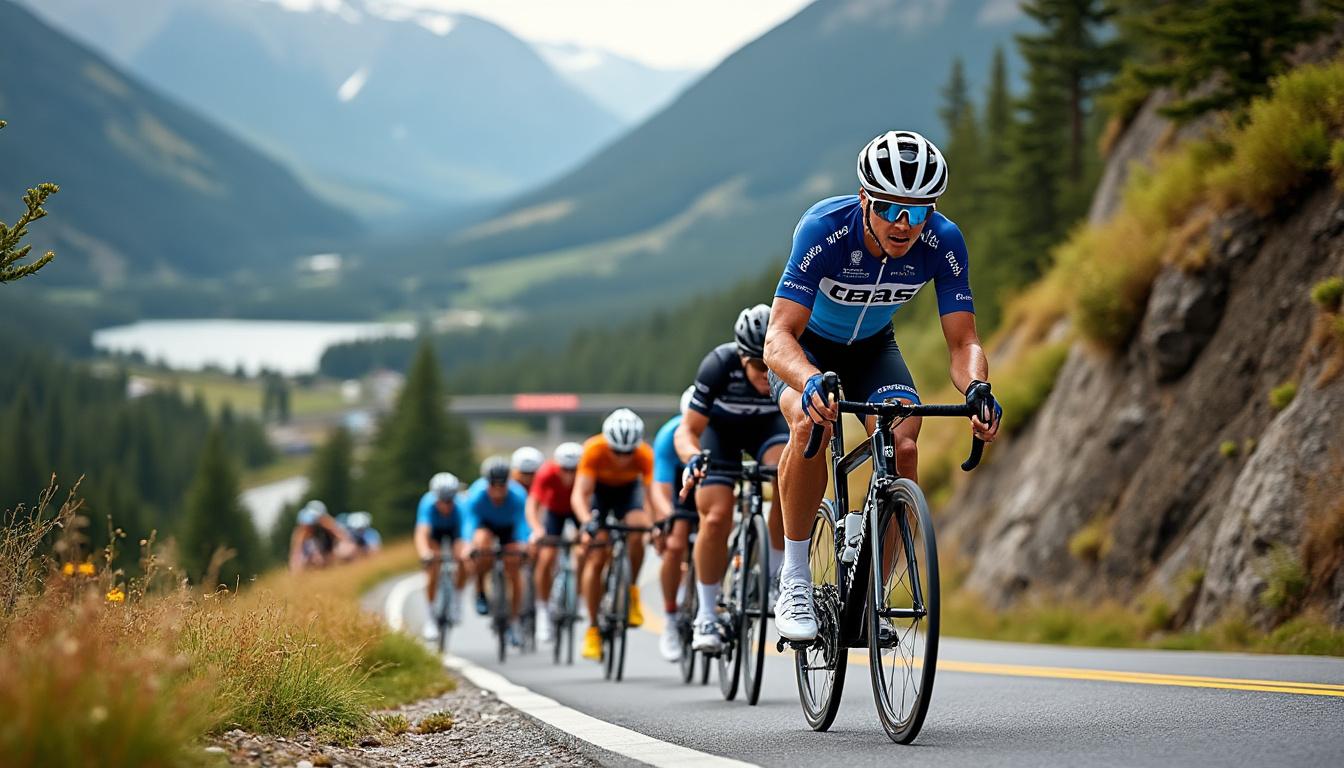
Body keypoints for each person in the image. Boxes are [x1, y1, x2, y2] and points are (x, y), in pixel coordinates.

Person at [764, 130, 1001, 642]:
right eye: (892, 208)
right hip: (809, 350)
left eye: (918, 212)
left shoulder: (944, 241)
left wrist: (977, 388)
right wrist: (808, 380)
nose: (904, 224)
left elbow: (964, 343)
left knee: (904, 442)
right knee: (813, 424)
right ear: (866, 200)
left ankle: (872, 594)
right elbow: (778, 336)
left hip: (874, 350)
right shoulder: (824, 229)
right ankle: (796, 576)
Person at [676, 305, 789, 653]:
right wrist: (693, 458)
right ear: (741, 357)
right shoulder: (718, 365)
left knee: (788, 480)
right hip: (720, 436)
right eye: (756, 365)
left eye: (769, 363)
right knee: (715, 515)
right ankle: (707, 614)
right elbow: (688, 431)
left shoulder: (786, 362)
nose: (763, 373)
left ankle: (773, 579)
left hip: (768, 432)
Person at [571, 408, 654, 661]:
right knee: (597, 555)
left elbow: (651, 497)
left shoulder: (644, 454)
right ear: (608, 443)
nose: (621, 458)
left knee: (638, 528)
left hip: (628, 493)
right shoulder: (594, 450)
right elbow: (580, 494)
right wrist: (587, 522)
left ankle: (631, 592)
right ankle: (593, 629)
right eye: (617, 451)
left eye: (627, 452)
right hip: (600, 493)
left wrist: (656, 524)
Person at [650, 387, 698, 662]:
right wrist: (668, 516)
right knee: (676, 543)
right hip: (678, 492)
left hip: (706, 484)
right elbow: (660, 487)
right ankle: (670, 616)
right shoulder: (669, 436)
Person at [464, 456, 531, 643]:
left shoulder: (517, 495)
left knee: (514, 566)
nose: (498, 490)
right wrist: (469, 544)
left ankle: (515, 620)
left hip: (509, 529)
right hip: (486, 526)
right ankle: (480, 592)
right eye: (494, 485)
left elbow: (523, 523)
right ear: (487, 483)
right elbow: (469, 522)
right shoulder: (476, 494)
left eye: (502, 485)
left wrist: (523, 543)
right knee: (481, 545)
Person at [526, 441, 583, 644]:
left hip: (578, 511)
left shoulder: (585, 473)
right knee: (547, 556)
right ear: (557, 466)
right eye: (565, 470)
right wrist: (537, 529)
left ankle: (579, 596)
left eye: (573, 470)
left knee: (586, 549)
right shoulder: (546, 473)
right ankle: (543, 609)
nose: (569, 475)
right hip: (555, 513)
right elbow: (533, 504)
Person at [413, 472, 468, 642]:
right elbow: (422, 532)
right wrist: (425, 553)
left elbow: (466, 534)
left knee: (464, 562)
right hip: (434, 534)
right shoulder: (427, 504)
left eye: (450, 500)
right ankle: (430, 619)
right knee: (431, 569)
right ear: (435, 497)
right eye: (442, 501)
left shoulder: (461, 506)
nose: (446, 505)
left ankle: (457, 601)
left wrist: (464, 551)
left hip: (455, 532)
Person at [288, 499, 357, 572]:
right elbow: (296, 552)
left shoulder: (327, 524)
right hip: (315, 557)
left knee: (347, 549)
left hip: (328, 554)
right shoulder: (303, 529)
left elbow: (342, 537)